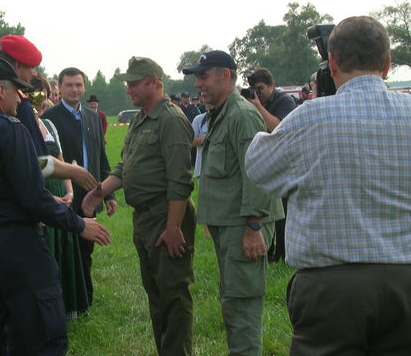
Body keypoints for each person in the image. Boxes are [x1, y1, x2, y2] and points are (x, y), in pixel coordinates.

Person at [245, 16, 411, 355]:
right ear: (388, 64)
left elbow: (258, 168)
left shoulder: (310, 117)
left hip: (332, 286)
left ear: (331, 63)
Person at [0, 57, 111, 355]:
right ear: (0, 92)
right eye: (17, 91)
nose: (20, 98)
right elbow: (33, 197)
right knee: (40, 333)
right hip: (18, 245)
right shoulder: (11, 130)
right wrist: (78, 224)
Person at [82, 56, 196, 356]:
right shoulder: (141, 118)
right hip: (145, 218)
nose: (128, 89)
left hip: (165, 216)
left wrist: (173, 229)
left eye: (134, 83)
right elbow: (125, 165)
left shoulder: (170, 119)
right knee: (157, 296)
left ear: (154, 83)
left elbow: (180, 181)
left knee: (173, 296)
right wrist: (99, 191)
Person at [0, 35, 97, 259]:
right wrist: (74, 172)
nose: (34, 75)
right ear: (16, 66)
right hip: (8, 220)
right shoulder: (17, 103)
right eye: (32, 68)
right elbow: (37, 163)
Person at [182, 50, 283, 356]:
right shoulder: (221, 113)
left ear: (225, 76)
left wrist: (253, 226)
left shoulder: (241, 114)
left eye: (203, 76)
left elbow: (257, 174)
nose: (199, 84)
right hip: (232, 224)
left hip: (246, 225)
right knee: (233, 302)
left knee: (242, 306)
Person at [42, 67, 117, 307]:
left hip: (90, 195)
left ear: (84, 87)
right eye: (69, 85)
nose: (75, 90)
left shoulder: (94, 117)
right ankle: (65, 297)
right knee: (64, 247)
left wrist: (108, 193)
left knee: (86, 247)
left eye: (79, 85)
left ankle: (85, 297)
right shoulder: (50, 118)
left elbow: (101, 157)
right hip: (62, 193)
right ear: (60, 88)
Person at [32, 75, 89, 320]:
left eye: (43, 95)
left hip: (59, 192)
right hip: (39, 192)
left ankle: (67, 307)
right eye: (35, 95)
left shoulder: (49, 126)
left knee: (64, 248)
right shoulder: (19, 125)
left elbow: (62, 161)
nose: (40, 100)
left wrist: (70, 191)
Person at [245, 68, 297, 263]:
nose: (257, 94)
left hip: (283, 162)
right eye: (254, 89)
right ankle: (269, 248)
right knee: (265, 208)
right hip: (264, 161)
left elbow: (278, 128)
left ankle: (281, 253)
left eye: (261, 89)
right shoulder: (253, 102)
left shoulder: (284, 101)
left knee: (282, 212)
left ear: (272, 86)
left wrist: (258, 106)